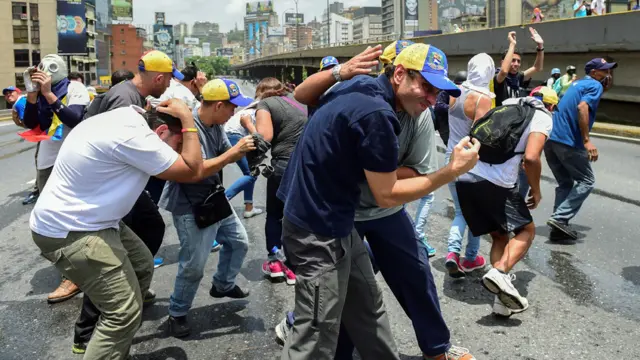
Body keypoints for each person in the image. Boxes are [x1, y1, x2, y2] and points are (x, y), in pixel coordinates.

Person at [277, 42, 480, 360]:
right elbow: (386, 192)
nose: (430, 99)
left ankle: (435, 348)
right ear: (398, 73)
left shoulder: (362, 86)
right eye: (425, 86)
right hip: (318, 225)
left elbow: (400, 177)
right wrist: (452, 170)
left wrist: (340, 74)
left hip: (341, 219)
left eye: (435, 91)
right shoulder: (377, 114)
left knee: (369, 308)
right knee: (316, 332)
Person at [30, 98, 222, 360]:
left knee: (142, 264)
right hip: (73, 231)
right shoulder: (135, 136)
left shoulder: (128, 117)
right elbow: (193, 169)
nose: (177, 152)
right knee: (123, 313)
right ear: (162, 132)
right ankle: (108, 336)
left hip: (94, 220)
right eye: (178, 145)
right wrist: (189, 121)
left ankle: (114, 345)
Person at [72, 50, 182, 354]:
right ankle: (87, 333)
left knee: (152, 226)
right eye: (169, 80)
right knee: (109, 262)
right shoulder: (126, 99)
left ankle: (134, 288)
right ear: (158, 78)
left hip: (115, 184)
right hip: (109, 188)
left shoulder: (129, 95)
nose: (168, 87)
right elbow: (125, 150)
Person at [159, 79, 255, 338]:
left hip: (213, 197)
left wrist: (253, 148)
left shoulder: (216, 124)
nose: (234, 113)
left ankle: (223, 285)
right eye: (232, 108)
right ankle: (177, 313)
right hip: (190, 203)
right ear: (219, 105)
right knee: (194, 265)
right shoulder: (189, 127)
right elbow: (196, 170)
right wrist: (233, 153)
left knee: (238, 242)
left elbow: (226, 150)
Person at [457, 86, 557, 317]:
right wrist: (536, 190)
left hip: (465, 175)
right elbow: (531, 158)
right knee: (527, 231)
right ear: (551, 106)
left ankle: (501, 303)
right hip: (496, 183)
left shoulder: (508, 104)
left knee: (500, 235)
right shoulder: (543, 117)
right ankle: (500, 271)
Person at [20, 54, 91, 304]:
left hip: (73, 160)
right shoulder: (38, 91)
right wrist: (32, 94)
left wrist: (49, 94)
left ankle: (74, 274)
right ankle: (75, 267)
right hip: (48, 162)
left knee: (73, 217)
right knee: (49, 220)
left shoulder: (75, 88)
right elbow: (32, 122)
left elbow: (75, 118)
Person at [238, 77, 307, 286]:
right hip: (307, 166)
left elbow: (264, 138)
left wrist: (248, 124)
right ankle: (297, 265)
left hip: (284, 166)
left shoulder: (265, 104)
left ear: (261, 92)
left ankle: (275, 262)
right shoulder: (298, 101)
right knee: (298, 216)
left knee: (276, 214)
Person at [545, 58, 616, 240]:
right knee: (586, 181)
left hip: (551, 141)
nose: (609, 74)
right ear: (594, 73)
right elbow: (582, 107)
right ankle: (560, 218)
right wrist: (586, 141)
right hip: (568, 142)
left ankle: (558, 228)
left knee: (565, 183)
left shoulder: (578, 84)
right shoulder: (594, 85)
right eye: (605, 71)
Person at [444, 53, 495, 278]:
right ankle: (462, 255)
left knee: (461, 210)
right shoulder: (483, 98)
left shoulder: (455, 92)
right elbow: (479, 135)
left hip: (450, 156)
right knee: (472, 213)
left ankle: (463, 256)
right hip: (470, 162)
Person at [492, 29, 545, 107]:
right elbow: (504, 71)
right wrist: (512, 44)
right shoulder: (498, 76)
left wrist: (540, 47)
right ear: (502, 62)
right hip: (502, 117)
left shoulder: (518, 77)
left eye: (518, 61)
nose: (516, 64)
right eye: (513, 60)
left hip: (516, 116)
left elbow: (537, 68)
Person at [433, 71, 467, 145]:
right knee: (450, 145)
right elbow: (438, 106)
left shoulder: (465, 92)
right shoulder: (446, 91)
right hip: (444, 123)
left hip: (454, 124)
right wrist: (453, 108)